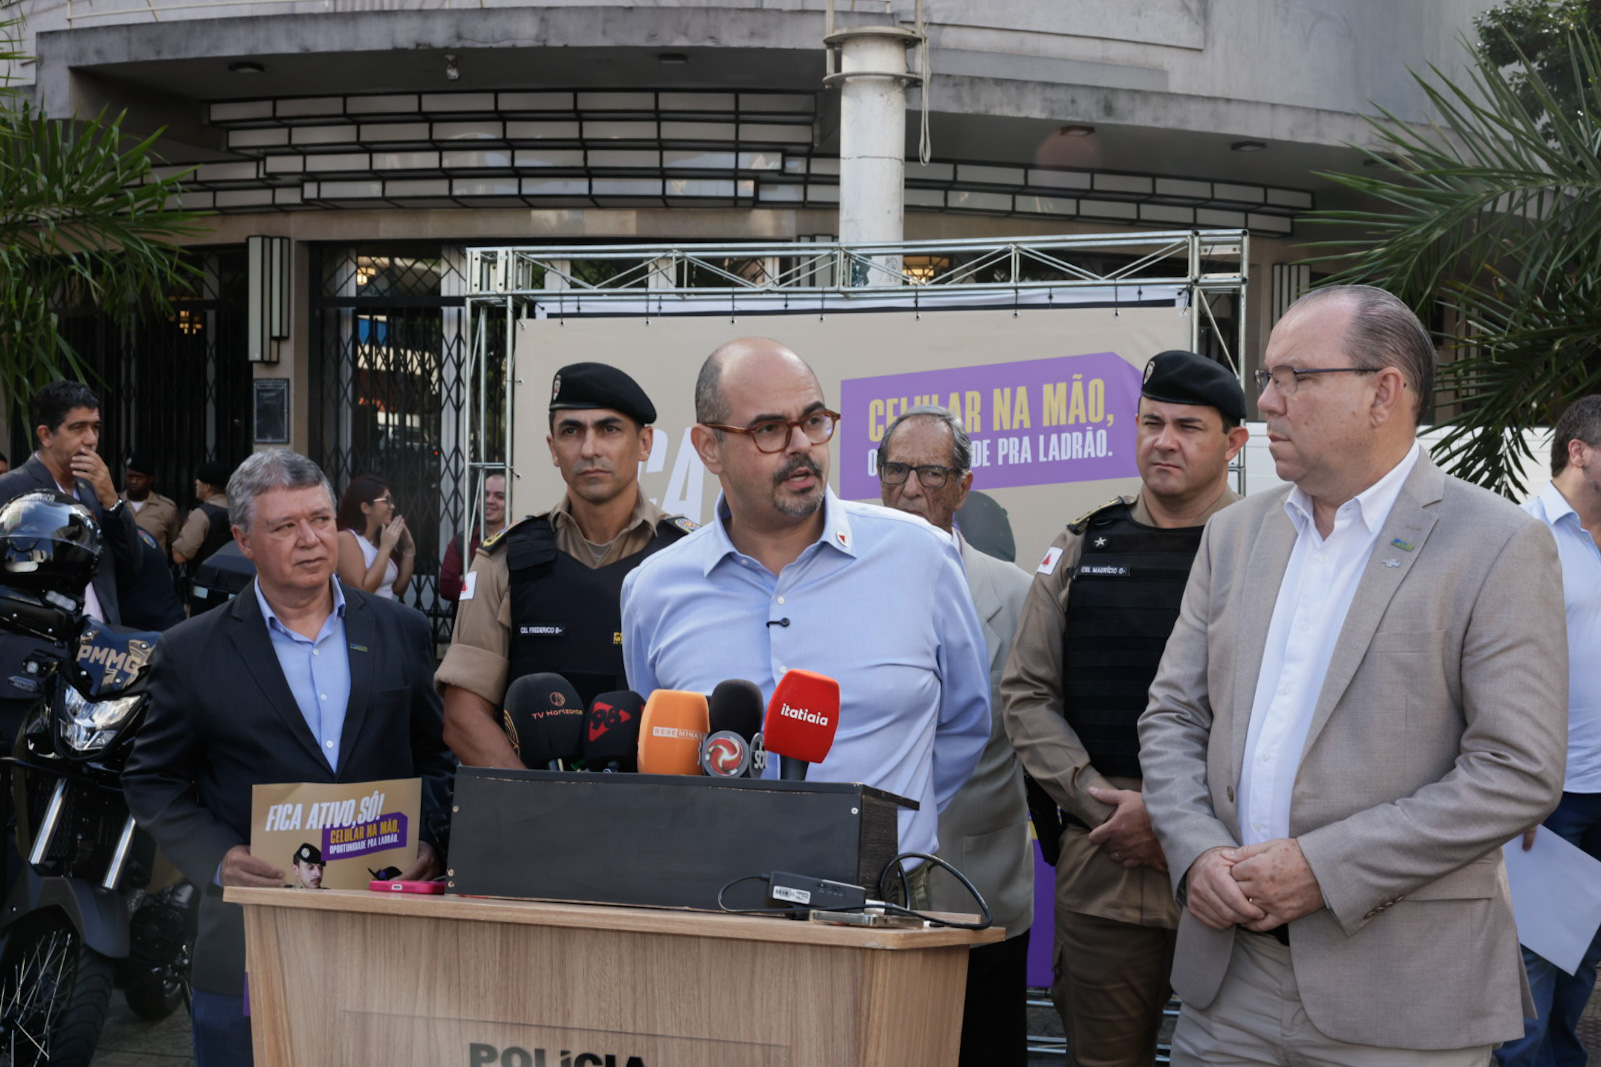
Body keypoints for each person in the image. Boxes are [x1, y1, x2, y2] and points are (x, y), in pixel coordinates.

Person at [1137, 284, 1568, 1065]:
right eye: (1267, 377)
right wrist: (1194, 849)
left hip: (1399, 995)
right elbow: (1172, 715)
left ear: (1383, 392)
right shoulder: (1234, 534)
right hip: (1228, 983)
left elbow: (1516, 769)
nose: (1267, 401)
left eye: (1295, 377)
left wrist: (1322, 868)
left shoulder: (1495, 544)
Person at [122, 449, 454, 1066]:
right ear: (244, 540)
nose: (310, 539)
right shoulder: (190, 651)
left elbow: (438, 759)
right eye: (285, 526)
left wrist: (430, 838)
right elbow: (153, 781)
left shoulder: (400, 631)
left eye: (321, 519)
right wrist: (219, 859)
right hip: (250, 946)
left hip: (389, 941)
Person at [620, 337, 990, 889]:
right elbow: (661, 747)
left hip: (885, 895)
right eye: (769, 429)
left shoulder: (922, 556)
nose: (802, 446)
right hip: (717, 895)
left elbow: (966, 723)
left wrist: (891, 830)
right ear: (709, 448)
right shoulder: (652, 588)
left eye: (814, 421)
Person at [1001, 348, 1248, 1067]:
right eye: (1150, 423)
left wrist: (1174, 819)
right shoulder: (1083, 545)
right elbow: (1026, 693)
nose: (1163, 441)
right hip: (1106, 855)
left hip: (1232, 861)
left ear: (1233, 443)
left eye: (1188, 427)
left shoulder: (1271, 549)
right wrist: (1096, 801)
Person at [877, 405, 1032, 1067]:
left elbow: (1038, 731)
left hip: (981, 893)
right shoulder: (837, 592)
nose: (911, 489)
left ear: (963, 487)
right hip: (867, 896)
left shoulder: (1018, 596)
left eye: (931, 473)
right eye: (896, 470)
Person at [439, 362, 693, 765]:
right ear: (553, 448)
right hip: (533, 797)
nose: (589, 449)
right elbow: (463, 717)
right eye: (571, 431)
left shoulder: (689, 560)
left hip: (654, 799)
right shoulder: (504, 561)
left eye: (609, 429)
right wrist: (540, 798)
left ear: (645, 443)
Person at [1497, 394, 1601, 1067]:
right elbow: (1494, 672)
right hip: (1550, 797)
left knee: (1583, 959)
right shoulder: (1520, 534)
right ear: (1579, 451)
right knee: (1532, 966)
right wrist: (1518, 787)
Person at [0, 381, 142, 736]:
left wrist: (112, 501)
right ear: (46, 435)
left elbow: (132, 563)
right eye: (78, 428)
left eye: (95, 427)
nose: (91, 439)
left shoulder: (94, 490)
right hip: (30, 669)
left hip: (97, 663)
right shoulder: (11, 491)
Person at [335, 474, 414, 600]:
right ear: (366, 507)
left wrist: (409, 548)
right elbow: (362, 592)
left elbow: (399, 588)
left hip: (386, 611)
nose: (392, 507)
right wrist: (386, 548)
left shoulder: (380, 539)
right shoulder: (345, 538)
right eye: (386, 501)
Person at [438, 471, 506, 603]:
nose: (489, 501)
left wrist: (469, 579)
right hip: (469, 616)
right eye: (485, 494)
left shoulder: (518, 541)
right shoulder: (463, 541)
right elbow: (447, 588)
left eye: (499, 496)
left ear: (511, 502)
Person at [172, 460, 233, 567]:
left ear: (207, 487)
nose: (196, 484)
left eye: (198, 483)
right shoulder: (241, 511)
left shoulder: (201, 514)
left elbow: (179, 557)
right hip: (238, 574)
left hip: (207, 574)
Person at [122, 451, 181, 557]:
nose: (134, 481)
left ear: (150, 479)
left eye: (139, 477)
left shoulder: (166, 508)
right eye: (130, 477)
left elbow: (175, 543)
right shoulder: (114, 504)